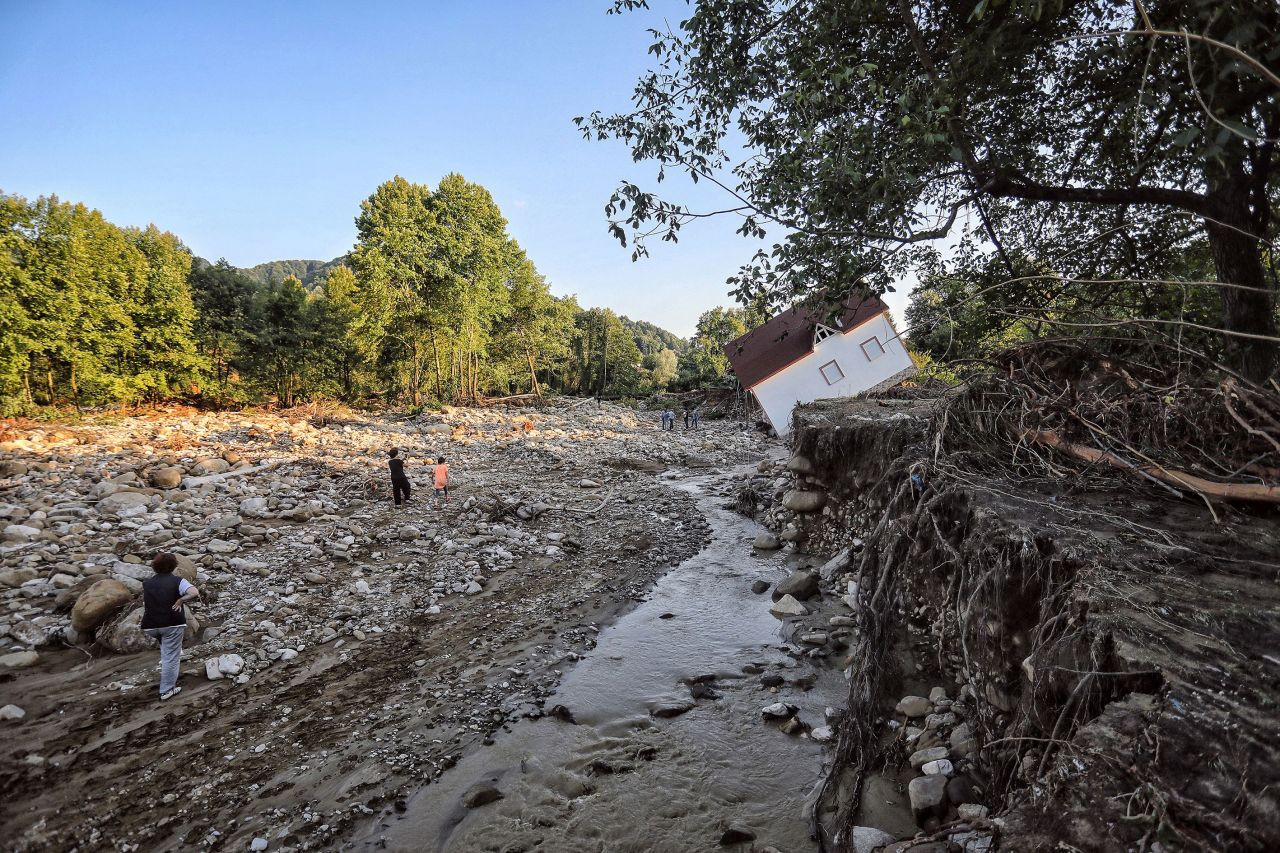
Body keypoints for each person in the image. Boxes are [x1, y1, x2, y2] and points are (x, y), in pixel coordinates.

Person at [141, 552, 200, 701]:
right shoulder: (177, 581)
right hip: (171, 624)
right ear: (174, 566)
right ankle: (166, 690)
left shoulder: (147, 583)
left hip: (150, 626)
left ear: (154, 567)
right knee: (171, 658)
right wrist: (180, 600)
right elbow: (194, 592)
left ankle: (168, 652)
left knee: (167, 648)